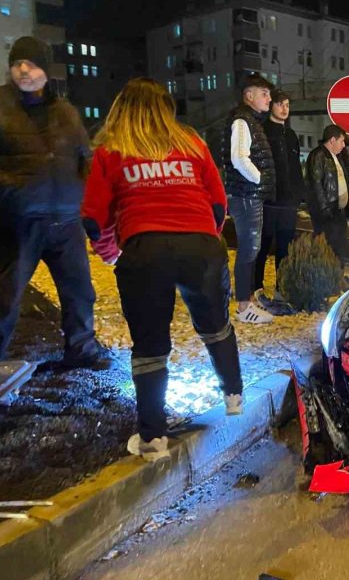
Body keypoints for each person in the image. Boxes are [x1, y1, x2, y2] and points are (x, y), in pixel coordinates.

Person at [81, 78, 244, 462]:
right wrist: (205, 238)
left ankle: (153, 438)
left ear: (120, 109)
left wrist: (110, 253)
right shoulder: (191, 143)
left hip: (144, 248)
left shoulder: (111, 150)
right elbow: (218, 203)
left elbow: (93, 216)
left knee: (150, 346)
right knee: (215, 326)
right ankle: (234, 397)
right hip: (201, 245)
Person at [0, 36, 103, 367]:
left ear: (45, 71)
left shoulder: (64, 112)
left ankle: (83, 351)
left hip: (65, 222)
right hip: (17, 222)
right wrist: (8, 188)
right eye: (17, 63)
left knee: (80, 293)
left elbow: (85, 157)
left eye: (32, 63)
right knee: (3, 298)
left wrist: (84, 196)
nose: (24, 69)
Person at [222, 73, 275, 324]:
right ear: (249, 95)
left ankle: (248, 301)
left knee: (251, 249)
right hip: (245, 195)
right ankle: (244, 307)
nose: (269, 98)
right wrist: (258, 179)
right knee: (248, 249)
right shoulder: (242, 121)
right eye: (264, 93)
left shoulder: (250, 120)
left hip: (249, 195)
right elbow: (239, 158)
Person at [254, 90, 303, 301]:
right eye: (280, 104)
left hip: (288, 201)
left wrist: (299, 194)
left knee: (285, 246)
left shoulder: (291, 135)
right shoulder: (262, 132)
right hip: (268, 200)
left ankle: (281, 289)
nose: (284, 109)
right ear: (271, 105)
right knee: (263, 245)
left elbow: (296, 167)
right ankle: (256, 288)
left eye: (287, 105)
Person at [306, 124, 349, 263]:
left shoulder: (336, 156)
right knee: (329, 249)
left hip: (338, 211)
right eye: (341, 141)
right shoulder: (318, 155)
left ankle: (338, 278)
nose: (344, 145)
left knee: (339, 248)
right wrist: (325, 210)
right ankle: (332, 279)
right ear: (332, 140)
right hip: (328, 213)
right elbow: (316, 184)